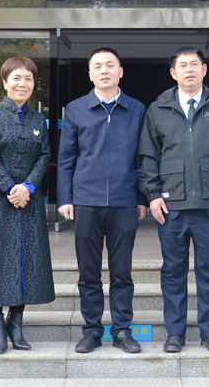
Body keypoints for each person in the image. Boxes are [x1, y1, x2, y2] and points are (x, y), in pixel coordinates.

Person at [138, 46, 209, 354]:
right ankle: (175, 333)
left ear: (204, 70)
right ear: (173, 73)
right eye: (182, 65)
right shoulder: (157, 109)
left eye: (194, 64)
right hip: (171, 207)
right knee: (173, 272)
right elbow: (147, 158)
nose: (189, 70)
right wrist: (153, 195)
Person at [57, 47, 147, 354]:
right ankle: (92, 330)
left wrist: (141, 196)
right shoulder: (76, 109)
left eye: (110, 65)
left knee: (122, 273)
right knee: (89, 273)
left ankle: (122, 330)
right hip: (86, 201)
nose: (104, 70)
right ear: (90, 74)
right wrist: (65, 198)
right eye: (98, 66)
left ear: (120, 72)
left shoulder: (137, 109)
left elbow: (143, 157)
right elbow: (66, 158)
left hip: (124, 201)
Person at [0, 56, 55, 354]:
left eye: (28, 78)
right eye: (16, 78)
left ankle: (16, 322)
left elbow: (44, 155)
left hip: (29, 199)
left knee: (25, 258)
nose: (22, 84)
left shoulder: (38, 119)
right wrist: (10, 188)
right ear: (5, 82)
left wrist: (28, 187)